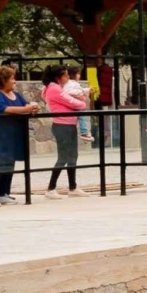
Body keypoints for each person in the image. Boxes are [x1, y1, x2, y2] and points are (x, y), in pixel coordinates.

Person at [0, 65, 39, 207]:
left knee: (8, 164)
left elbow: (25, 106)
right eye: (11, 78)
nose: (14, 81)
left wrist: (32, 107)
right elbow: (2, 109)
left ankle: (2, 193)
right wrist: (26, 109)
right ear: (3, 80)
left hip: (9, 136)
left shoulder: (16, 95)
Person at [42, 64, 88, 198]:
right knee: (63, 157)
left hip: (69, 124)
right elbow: (76, 103)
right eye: (65, 75)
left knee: (73, 155)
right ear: (58, 77)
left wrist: (80, 100)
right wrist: (81, 101)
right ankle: (50, 188)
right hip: (62, 125)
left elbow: (77, 100)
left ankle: (72, 187)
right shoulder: (54, 89)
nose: (68, 77)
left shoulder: (57, 88)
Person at [65, 65, 94, 143]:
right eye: (77, 74)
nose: (79, 75)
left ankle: (84, 132)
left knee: (81, 117)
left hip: (75, 104)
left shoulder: (72, 83)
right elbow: (70, 92)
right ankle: (84, 132)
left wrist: (87, 90)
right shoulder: (71, 83)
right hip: (74, 104)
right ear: (72, 75)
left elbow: (80, 90)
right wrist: (81, 93)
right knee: (82, 116)